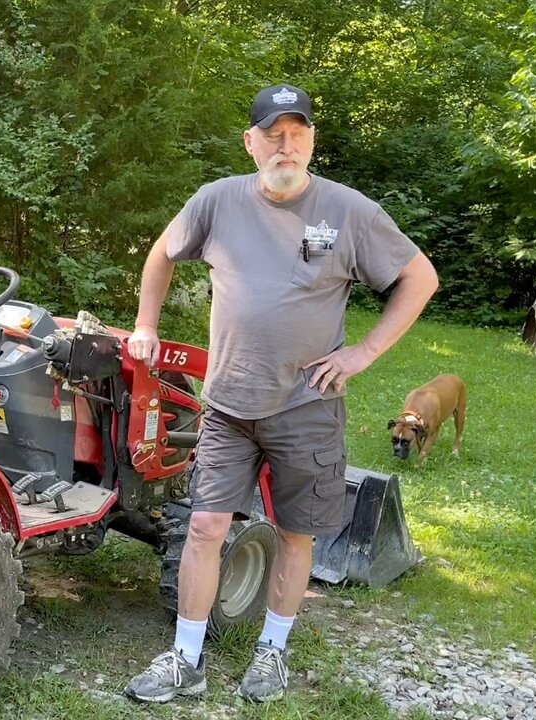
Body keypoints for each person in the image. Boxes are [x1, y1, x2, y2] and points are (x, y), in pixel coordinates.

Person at [123, 84, 439, 704]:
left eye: (297, 133)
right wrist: (146, 324)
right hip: (229, 405)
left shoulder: (349, 212)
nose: (285, 145)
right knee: (207, 526)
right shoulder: (216, 202)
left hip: (307, 407)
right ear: (251, 142)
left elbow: (418, 277)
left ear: (312, 141)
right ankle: (186, 659)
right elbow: (162, 252)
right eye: (273, 133)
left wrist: (363, 353)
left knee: (296, 533)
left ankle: (271, 652)